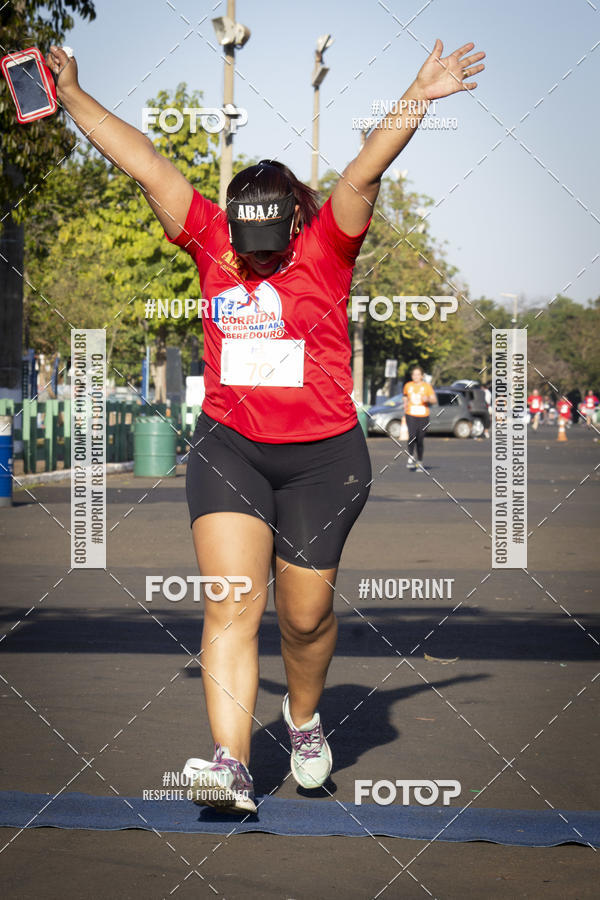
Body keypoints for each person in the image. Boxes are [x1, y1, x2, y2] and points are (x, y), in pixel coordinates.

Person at [46, 36, 485, 814]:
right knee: (231, 603)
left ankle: (305, 719)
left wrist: (420, 90)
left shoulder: (326, 249)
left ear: (288, 222)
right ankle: (231, 763)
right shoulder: (212, 242)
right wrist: (72, 94)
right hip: (230, 452)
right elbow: (146, 163)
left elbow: (365, 169)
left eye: (262, 235)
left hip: (324, 461)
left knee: (306, 617)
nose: (246, 252)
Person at [403, 367, 437, 471]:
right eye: (414, 374)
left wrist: (428, 399)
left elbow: (434, 400)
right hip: (411, 414)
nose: (416, 377)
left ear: (422, 376)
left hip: (423, 415)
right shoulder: (408, 385)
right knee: (412, 435)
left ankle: (420, 461)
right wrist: (405, 406)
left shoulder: (427, 387)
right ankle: (411, 457)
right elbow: (405, 397)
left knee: (420, 438)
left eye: (418, 374)